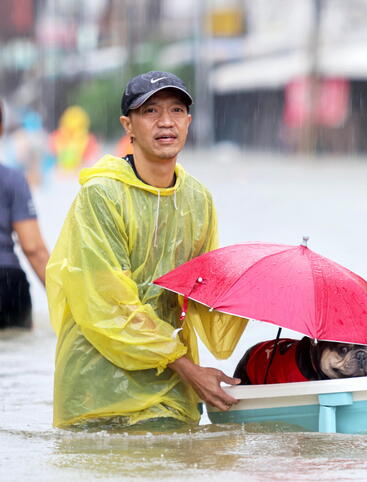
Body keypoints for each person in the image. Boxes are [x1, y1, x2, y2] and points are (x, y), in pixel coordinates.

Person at [46, 71, 249, 429]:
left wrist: (252, 287)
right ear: (129, 125)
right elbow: (107, 304)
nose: (166, 122)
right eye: (150, 111)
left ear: (188, 121)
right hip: (99, 386)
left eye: (176, 110)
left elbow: (198, 289)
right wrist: (188, 368)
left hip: (172, 383)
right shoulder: (101, 195)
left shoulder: (197, 198)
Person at [0, 101, 50, 330]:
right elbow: (34, 249)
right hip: (7, 283)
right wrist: (71, 305)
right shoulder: (12, 179)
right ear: (2, 129)